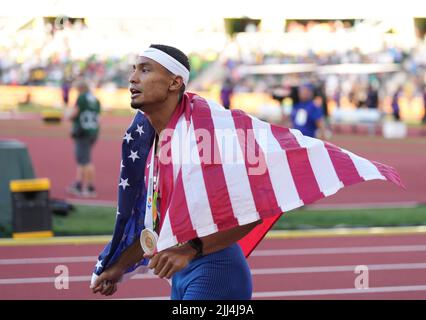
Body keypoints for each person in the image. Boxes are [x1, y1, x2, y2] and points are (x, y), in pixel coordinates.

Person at [90, 45, 401, 300]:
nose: (132, 78)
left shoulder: (209, 134)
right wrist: (120, 266)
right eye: (133, 69)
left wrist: (191, 249)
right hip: (181, 275)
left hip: (215, 272)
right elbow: (156, 220)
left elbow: (253, 205)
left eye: (145, 70)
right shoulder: (152, 140)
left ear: (175, 82)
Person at [67, 80, 100, 197]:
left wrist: (68, 116)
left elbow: (75, 114)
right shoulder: (95, 100)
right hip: (93, 131)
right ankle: (78, 183)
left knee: (85, 160)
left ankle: (90, 187)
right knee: (82, 158)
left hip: (82, 131)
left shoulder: (81, 98)